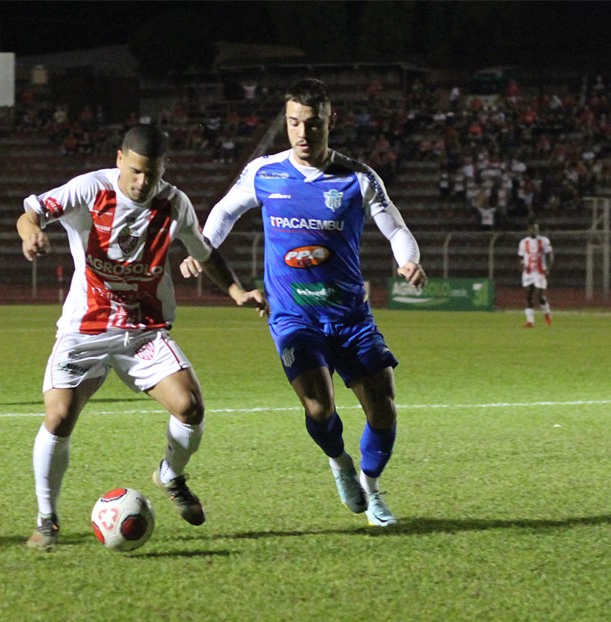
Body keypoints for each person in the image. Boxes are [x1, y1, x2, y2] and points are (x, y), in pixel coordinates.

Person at [180, 78, 427, 527]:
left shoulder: (356, 177)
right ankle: (339, 461)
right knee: (319, 407)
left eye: (312, 124)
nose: (302, 133)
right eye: (294, 123)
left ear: (330, 122)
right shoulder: (265, 172)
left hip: (350, 315)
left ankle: (372, 488)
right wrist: (203, 250)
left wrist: (408, 260)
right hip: (293, 314)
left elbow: (395, 228)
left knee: (384, 409)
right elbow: (224, 210)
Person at [17, 125, 266, 551]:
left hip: (142, 329)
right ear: (119, 160)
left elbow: (205, 254)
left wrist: (238, 291)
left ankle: (170, 474)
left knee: (190, 406)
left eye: (150, 174)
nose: (141, 182)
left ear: (163, 169)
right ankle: (47, 520)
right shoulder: (89, 189)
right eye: (134, 172)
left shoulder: (174, 203)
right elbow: (32, 211)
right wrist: (30, 233)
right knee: (58, 417)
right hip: (86, 327)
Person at [517, 221, 554, 327]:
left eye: (536, 229)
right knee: (528, 296)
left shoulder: (543, 241)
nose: (534, 231)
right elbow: (520, 257)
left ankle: (547, 314)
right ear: (528, 230)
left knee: (539, 296)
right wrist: (521, 266)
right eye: (532, 229)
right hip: (528, 273)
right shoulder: (523, 242)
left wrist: (548, 268)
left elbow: (550, 255)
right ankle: (530, 321)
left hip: (539, 272)